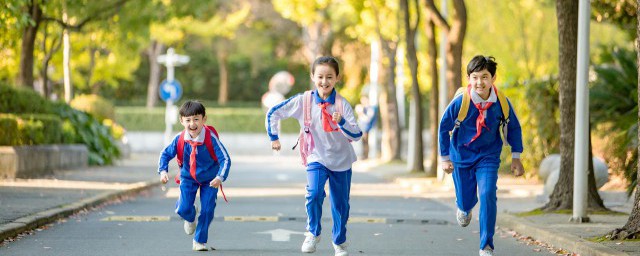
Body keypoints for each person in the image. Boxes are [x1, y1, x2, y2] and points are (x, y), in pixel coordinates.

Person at [265, 56, 362, 256]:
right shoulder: (304, 100)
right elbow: (273, 113)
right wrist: (274, 137)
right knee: (314, 193)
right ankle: (313, 232)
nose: (324, 82)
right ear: (312, 77)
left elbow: (357, 134)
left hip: (341, 160)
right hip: (316, 157)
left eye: (329, 77)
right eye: (320, 76)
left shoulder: (342, 105)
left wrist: (342, 122)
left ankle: (339, 243)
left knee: (340, 204)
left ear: (337, 78)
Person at [438, 55, 524, 256]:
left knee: (487, 195)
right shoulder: (461, 102)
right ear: (469, 78)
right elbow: (443, 128)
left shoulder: (501, 102)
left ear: (493, 78)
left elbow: (514, 128)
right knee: (466, 201)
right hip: (461, 155)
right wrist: (444, 159)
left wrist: (516, 157)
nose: (479, 82)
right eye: (475, 77)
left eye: (484, 77)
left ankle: (486, 246)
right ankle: (464, 207)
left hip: (488, 155)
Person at [158, 100, 231, 251]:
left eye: (196, 119)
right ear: (181, 121)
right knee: (183, 209)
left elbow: (225, 159)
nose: (192, 123)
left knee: (207, 209)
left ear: (204, 119)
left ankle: (199, 240)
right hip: (188, 178)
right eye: (188, 120)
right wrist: (163, 171)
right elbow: (165, 154)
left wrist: (220, 177)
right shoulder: (180, 139)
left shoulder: (211, 138)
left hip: (210, 180)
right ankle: (190, 216)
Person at [354, 95, 377, 160]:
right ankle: (364, 155)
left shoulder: (370, 109)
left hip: (367, 128)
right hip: (361, 127)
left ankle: (365, 156)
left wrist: (361, 113)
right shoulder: (362, 107)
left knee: (365, 141)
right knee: (363, 141)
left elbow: (368, 119)